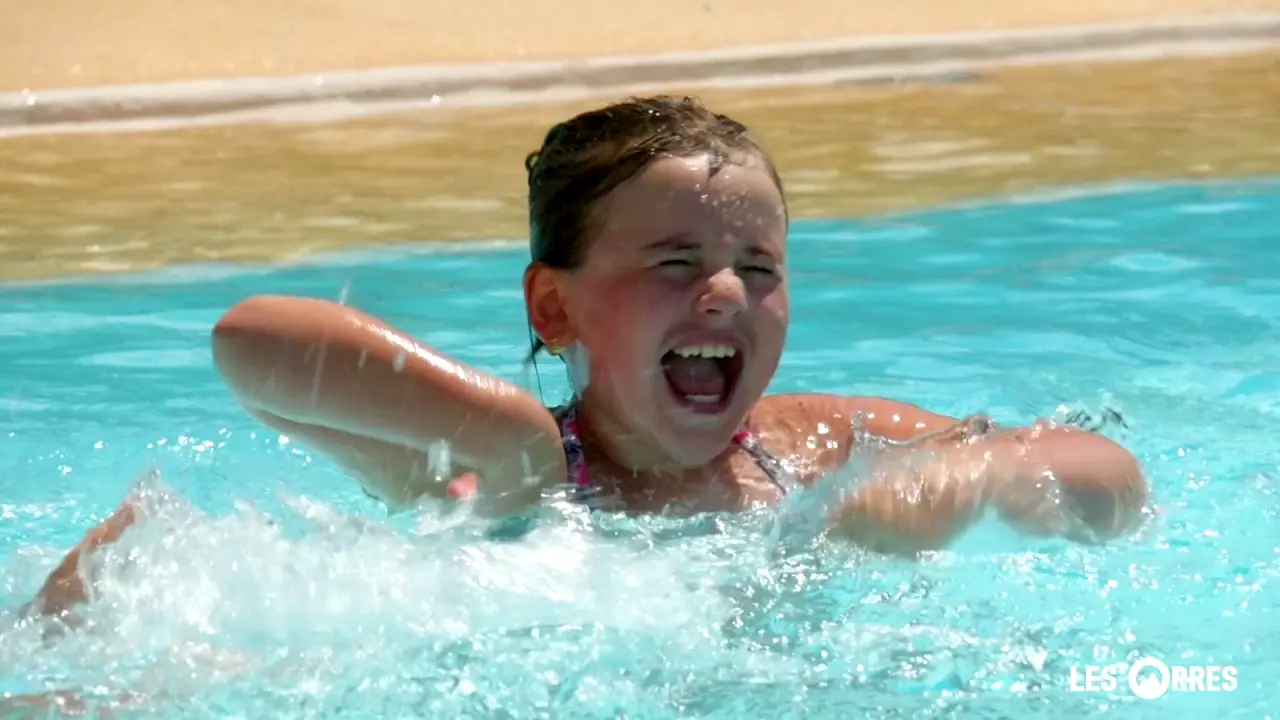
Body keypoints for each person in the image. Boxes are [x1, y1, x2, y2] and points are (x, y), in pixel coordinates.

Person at [24, 95, 1148, 621]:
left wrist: (956, 485)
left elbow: (1107, 479)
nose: (725, 292)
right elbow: (246, 344)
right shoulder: (490, 482)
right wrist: (492, 431)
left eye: (757, 266)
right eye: (673, 260)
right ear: (553, 308)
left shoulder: (814, 447)